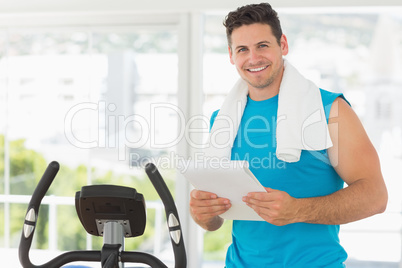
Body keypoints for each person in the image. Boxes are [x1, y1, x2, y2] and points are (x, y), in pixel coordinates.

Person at [189, 2, 388, 267]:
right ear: (231, 55)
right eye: (242, 50)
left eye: (262, 45)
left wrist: (298, 210)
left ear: (282, 45)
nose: (253, 58)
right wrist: (205, 214)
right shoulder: (222, 121)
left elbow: (375, 196)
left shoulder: (330, 110)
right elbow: (215, 220)